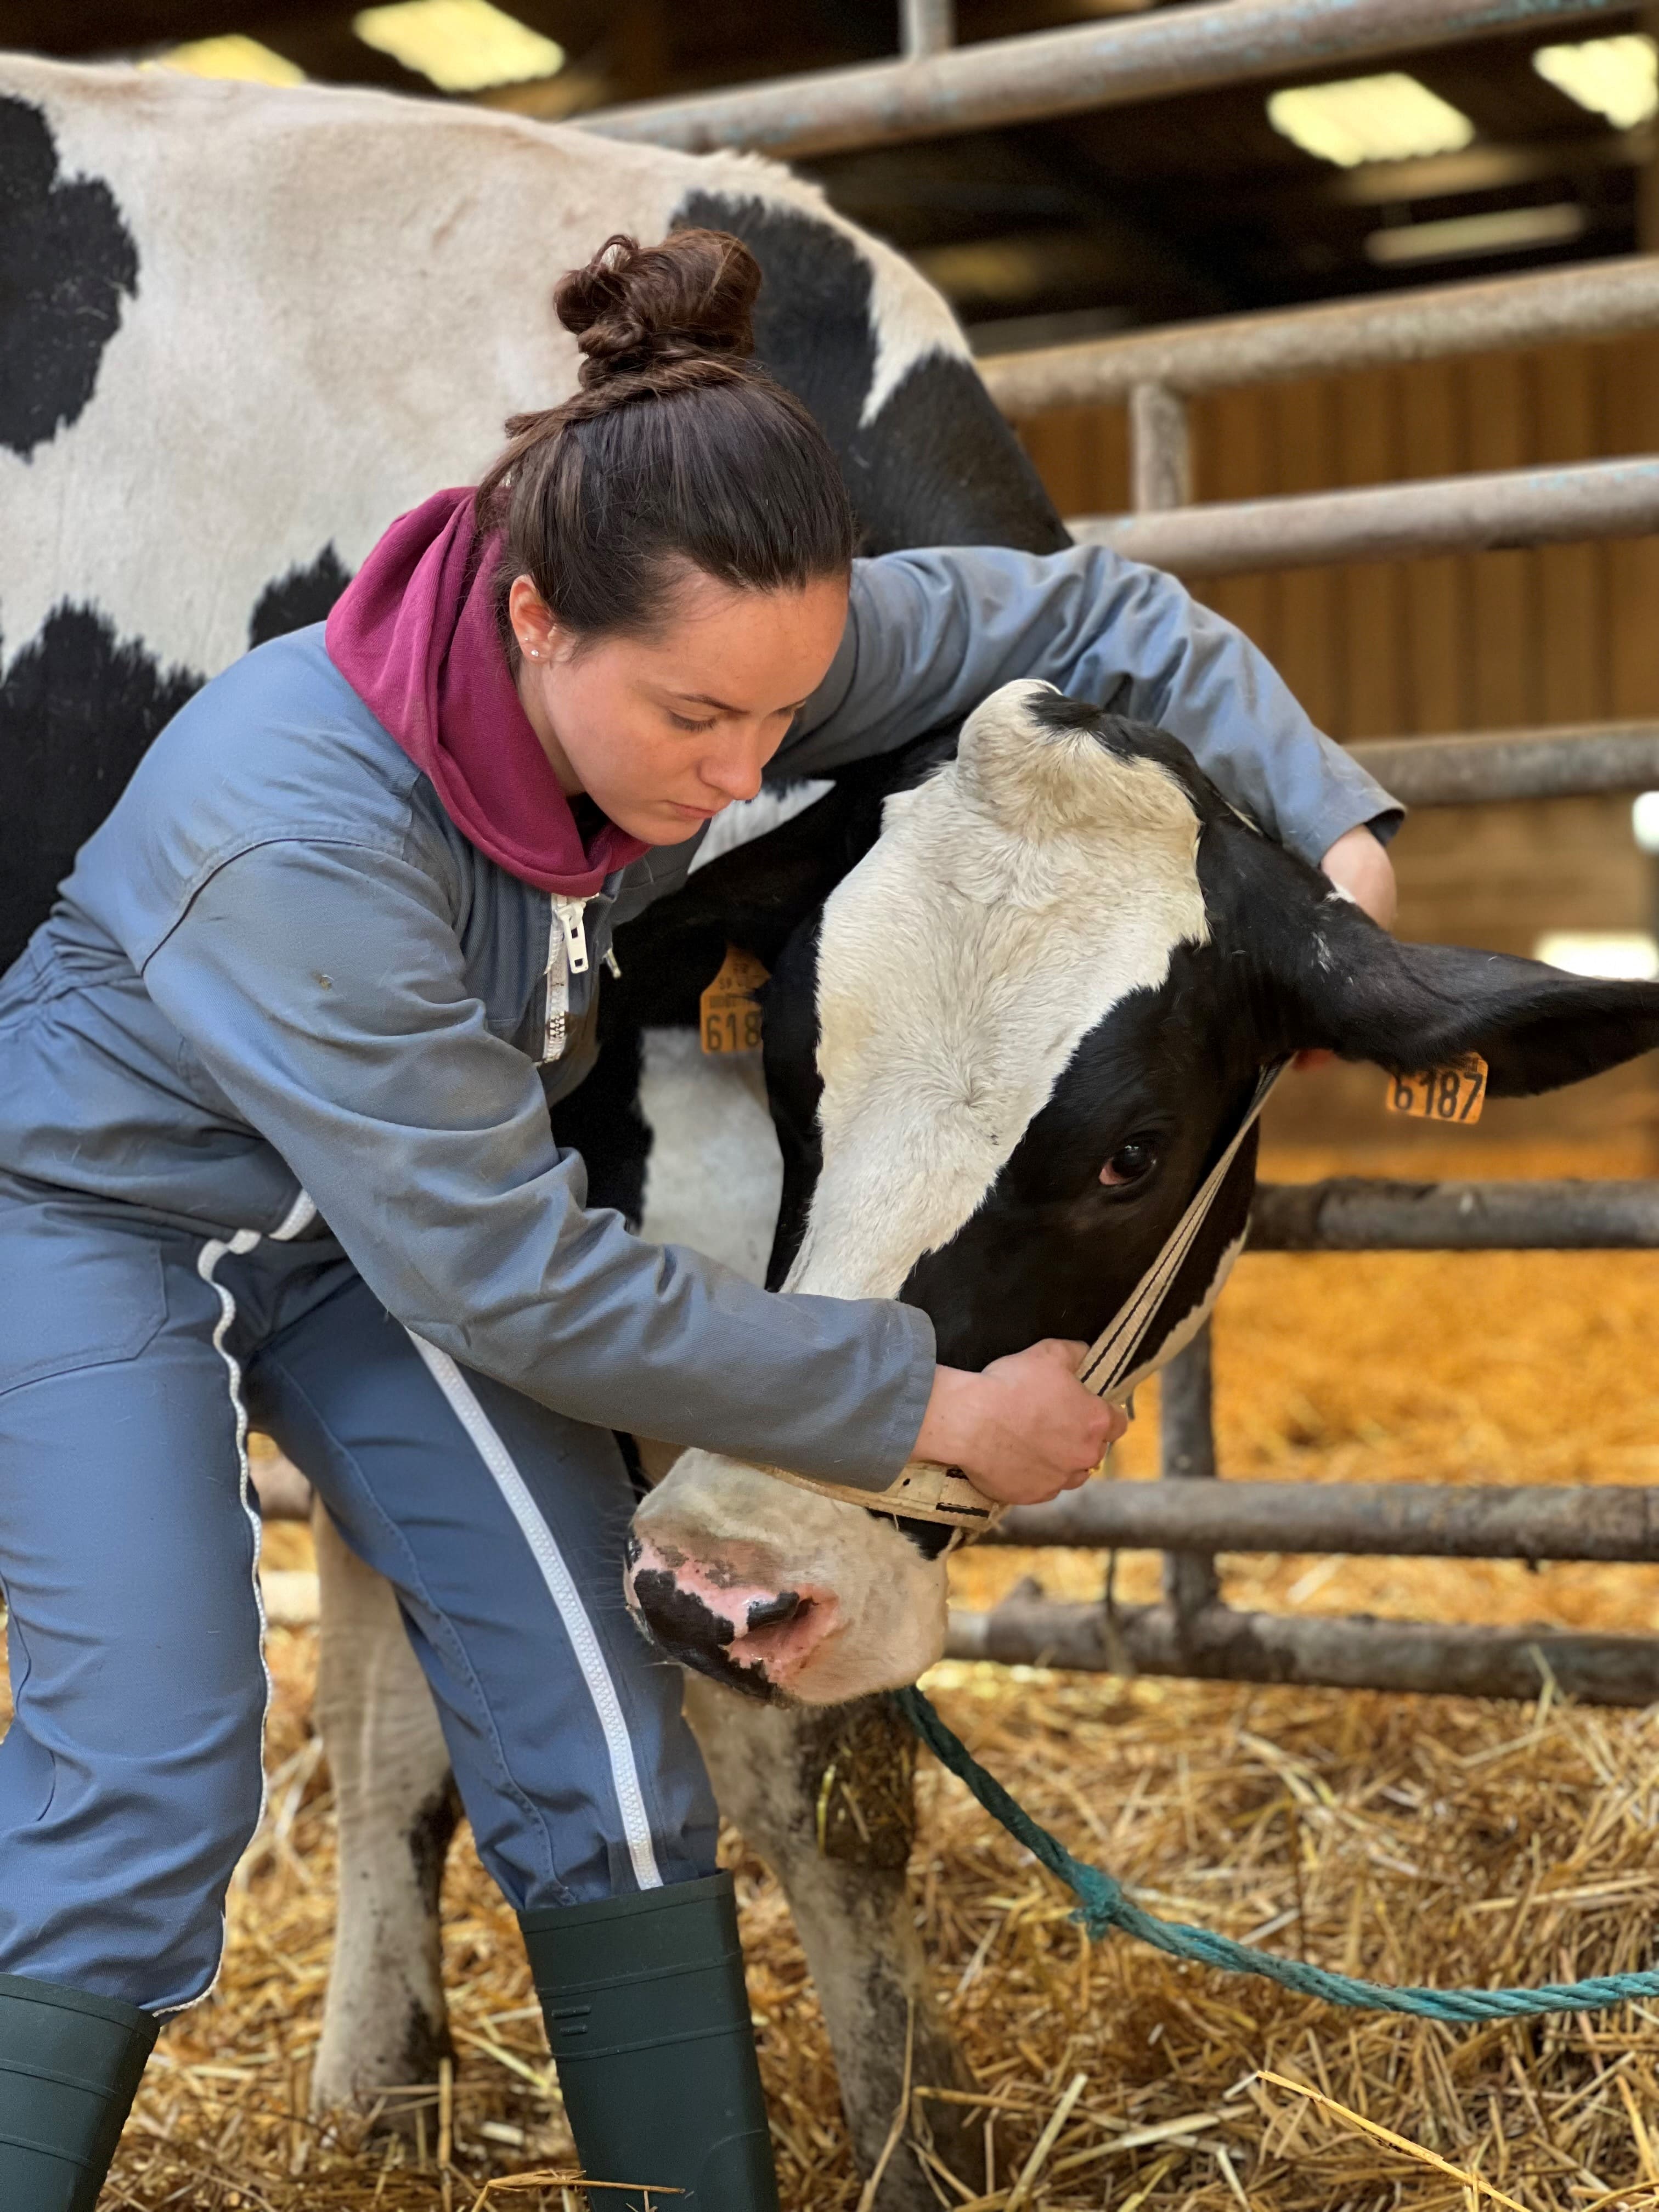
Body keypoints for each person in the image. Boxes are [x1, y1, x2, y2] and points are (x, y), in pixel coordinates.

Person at [0, 228, 1398, 2212]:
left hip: (349, 1244)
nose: (744, 777)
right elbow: (517, 1281)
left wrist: (1336, 835)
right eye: (696, 725)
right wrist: (921, 1402)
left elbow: (1098, 617)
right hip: (97, 1214)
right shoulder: (298, 826)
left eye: (784, 714)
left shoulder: (722, 652)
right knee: (150, 1764)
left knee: (597, 1721)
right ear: (537, 617)